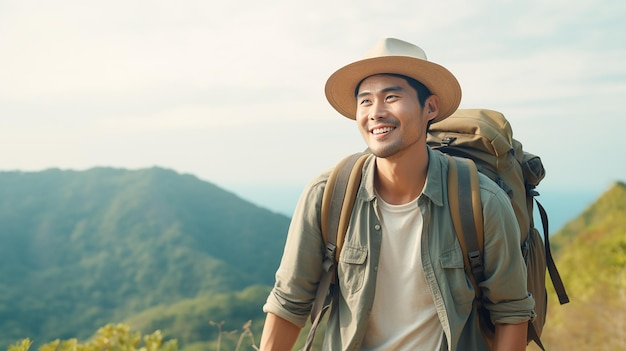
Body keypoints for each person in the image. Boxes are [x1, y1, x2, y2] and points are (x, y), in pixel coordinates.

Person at [260, 38, 535, 350]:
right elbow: (288, 302)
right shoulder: (327, 196)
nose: (376, 112)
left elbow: (511, 311)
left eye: (391, 97)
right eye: (365, 101)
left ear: (430, 107)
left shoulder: (481, 201)